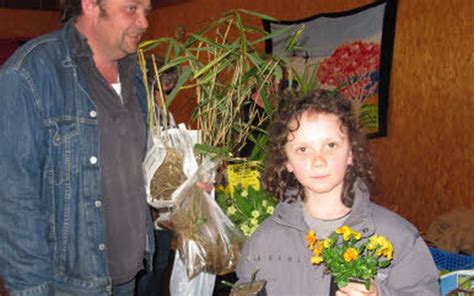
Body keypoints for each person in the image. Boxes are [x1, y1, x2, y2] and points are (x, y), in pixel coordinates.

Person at [0, 0, 154, 295]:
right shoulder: (31, 73)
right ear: (91, 5)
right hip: (70, 283)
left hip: (129, 272)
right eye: (131, 9)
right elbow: (12, 198)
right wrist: (31, 288)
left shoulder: (137, 74)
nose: (145, 22)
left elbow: (136, 166)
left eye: (146, 10)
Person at [236, 90, 440, 295]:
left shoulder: (399, 237)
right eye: (303, 149)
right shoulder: (263, 242)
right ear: (287, 161)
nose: (318, 161)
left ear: (351, 152)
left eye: (331, 145)